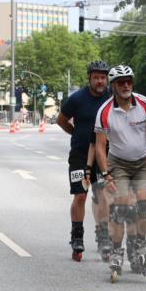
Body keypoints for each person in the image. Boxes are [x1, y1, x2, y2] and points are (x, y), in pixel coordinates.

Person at [94, 64, 146, 282]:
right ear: (113, 86)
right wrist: (106, 174)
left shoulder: (144, 105)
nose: (126, 86)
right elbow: (99, 146)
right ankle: (117, 250)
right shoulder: (105, 111)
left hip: (143, 162)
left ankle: (139, 247)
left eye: (129, 82)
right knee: (121, 209)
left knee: (143, 206)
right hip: (119, 164)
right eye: (121, 83)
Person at [57, 60, 113, 262]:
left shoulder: (111, 98)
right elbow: (61, 120)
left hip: (104, 155)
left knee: (102, 195)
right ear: (89, 78)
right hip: (80, 154)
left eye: (103, 77)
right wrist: (76, 134)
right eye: (96, 77)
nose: (100, 81)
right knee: (80, 196)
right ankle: (77, 236)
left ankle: (103, 236)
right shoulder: (77, 99)